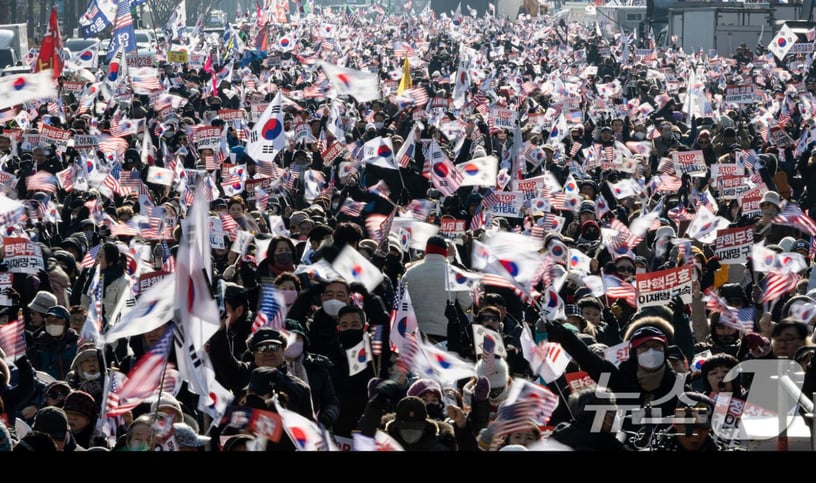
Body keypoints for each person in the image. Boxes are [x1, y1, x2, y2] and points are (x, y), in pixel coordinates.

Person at [207, 326, 315, 420]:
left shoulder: (300, 388)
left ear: (283, 349)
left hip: (285, 442)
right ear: (253, 353)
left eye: (274, 347)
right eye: (261, 348)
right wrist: (220, 328)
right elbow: (222, 356)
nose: (268, 352)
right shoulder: (241, 374)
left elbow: (308, 428)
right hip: (246, 440)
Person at [400, 236, 473, 345]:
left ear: (426, 250)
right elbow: (466, 303)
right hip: (445, 334)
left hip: (415, 334)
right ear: (445, 251)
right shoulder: (455, 274)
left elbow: (401, 304)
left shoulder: (409, 274)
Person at [30, 305, 79, 380]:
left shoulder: (77, 343)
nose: (52, 323)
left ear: (66, 322)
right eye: (48, 320)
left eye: (56, 320)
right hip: (48, 387)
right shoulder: (38, 345)